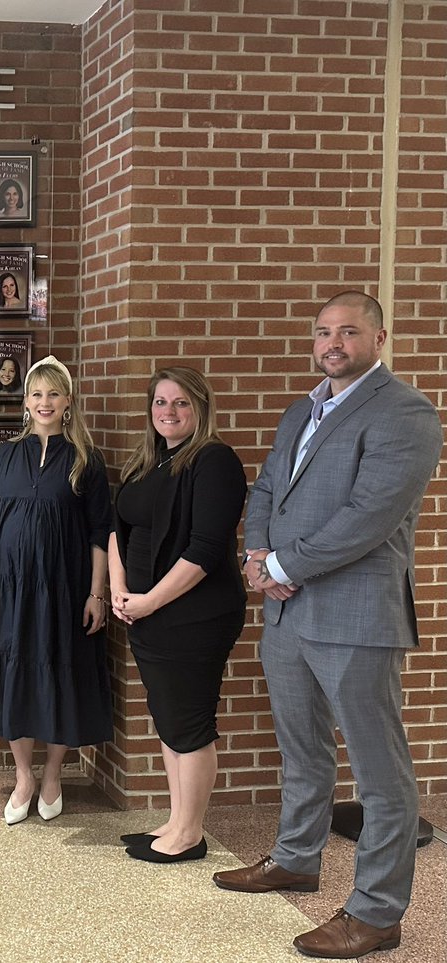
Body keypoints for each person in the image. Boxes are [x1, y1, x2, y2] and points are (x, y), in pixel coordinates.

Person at [211, 292, 442, 960]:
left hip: (356, 616)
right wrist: (259, 558)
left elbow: (370, 515)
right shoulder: (301, 410)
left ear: (380, 337)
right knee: (303, 748)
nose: (333, 342)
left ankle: (376, 913)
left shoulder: (405, 413)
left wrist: (284, 561)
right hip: (286, 611)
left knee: (380, 774)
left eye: (348, 331)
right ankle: (295, 856)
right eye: (323, 332)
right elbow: (265, 492)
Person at [0, 355, 112, 826]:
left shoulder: (85, 459)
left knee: (60, 671)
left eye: (53, 393)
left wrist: (96, 594)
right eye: (36, 393)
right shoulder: (5, 455)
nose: (44, 402)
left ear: (67, 401)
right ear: (25, 401)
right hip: (9, 587)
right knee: (15, 673)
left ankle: (53, 774)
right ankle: (23, 775)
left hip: (64, 587)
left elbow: (99, 534)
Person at [108, 366, 247, 864]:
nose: (169, 412)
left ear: (201, 409)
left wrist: (149, 601)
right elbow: (118, 530)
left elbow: (206, 550)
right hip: (145, 612)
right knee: (169, 718)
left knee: (189, 722)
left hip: (194, 615)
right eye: (161, 403)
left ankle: (190, 833)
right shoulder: (148, 462)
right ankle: (176, 818)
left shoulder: (214, 462)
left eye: (182, 403)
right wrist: (120, 589)